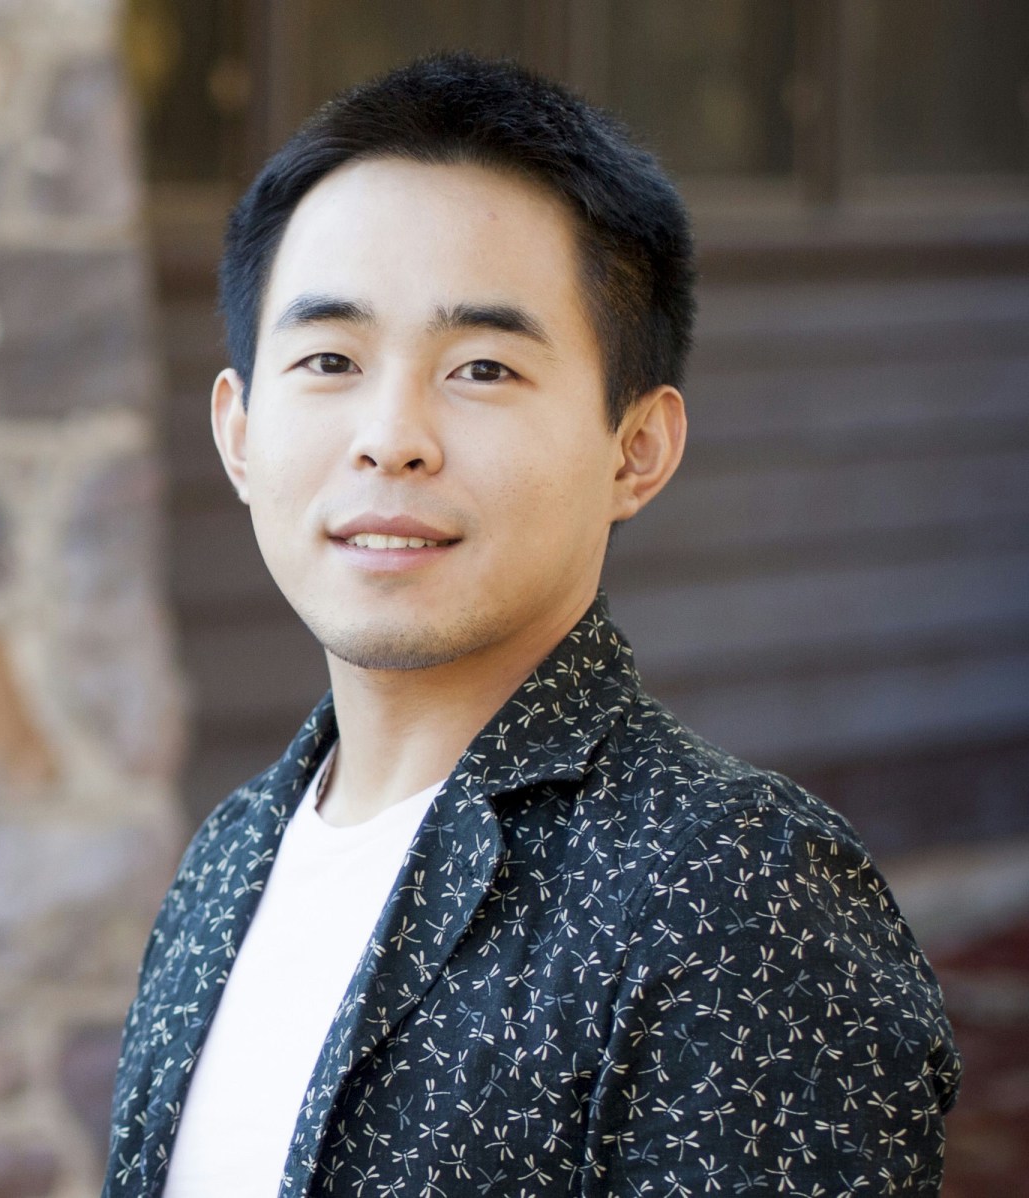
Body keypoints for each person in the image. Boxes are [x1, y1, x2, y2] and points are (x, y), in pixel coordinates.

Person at [102, 52, 960, 1198]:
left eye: (483, 367)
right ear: (240, 432)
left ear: (636, 448)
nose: (390, 435)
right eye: (328, 360)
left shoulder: (734, 895)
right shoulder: (230, 857)